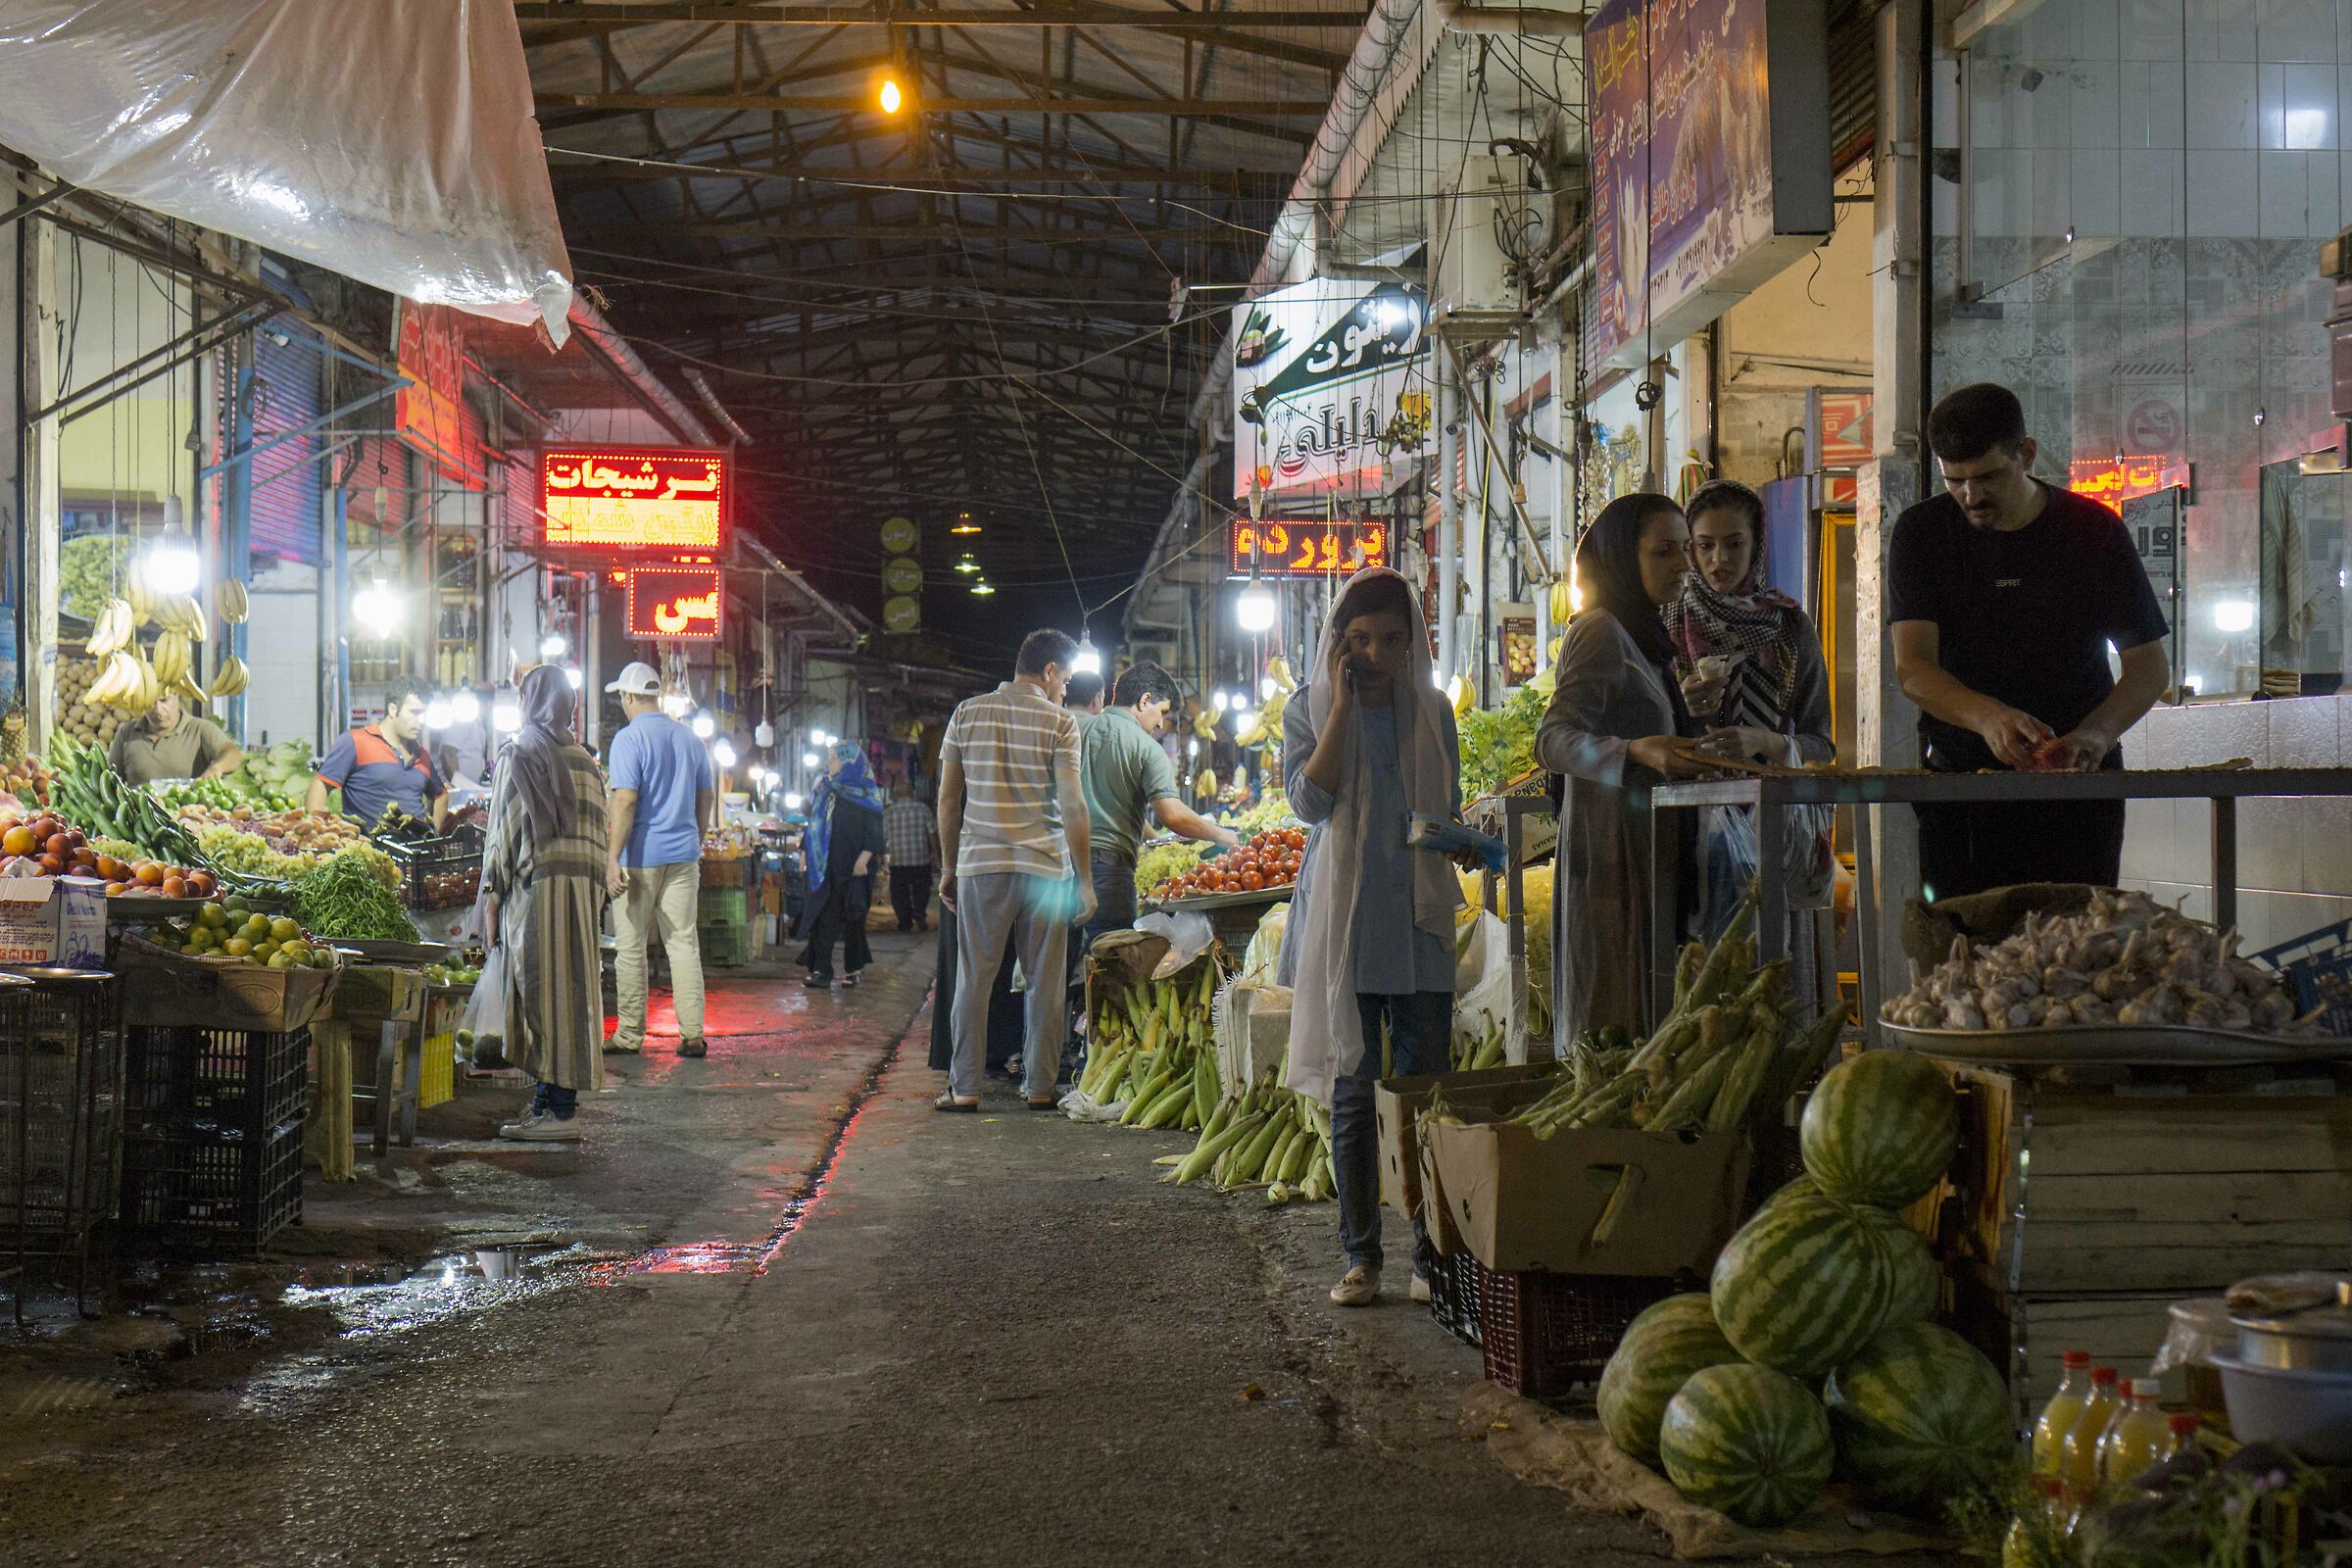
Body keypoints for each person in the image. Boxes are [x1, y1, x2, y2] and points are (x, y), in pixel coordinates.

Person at [1890, 383, 2171, 900]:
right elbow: (1914, 668)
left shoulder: (2093, 532)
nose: (1971, 497)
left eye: (1987, 476)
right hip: (1962, 784)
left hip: (2077, 786)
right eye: (1955, 481)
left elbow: (2149, 668)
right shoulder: (1921, 534)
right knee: (1964, 957)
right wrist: (1988, 717)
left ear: (2026, 454)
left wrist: (2097, 734)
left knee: (2075, 953)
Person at [1276, 568, 1462, 1308]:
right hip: (1348, 924)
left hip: (1418, 921)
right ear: (1338, 643)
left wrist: (1463, 842)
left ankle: (1429, 1256)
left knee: (1423, 1093)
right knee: (1354, 1095)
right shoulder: (1310, 709)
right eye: (1360, 640)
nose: (1377, 654)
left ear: (1413, 641)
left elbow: (1439, 805)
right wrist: (1342, 713)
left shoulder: (1434, 711)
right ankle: (1362, 1256)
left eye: (1391, 639)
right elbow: (1309, 802)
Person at [1539, 493, 1710, 1050]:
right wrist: (1636, 752)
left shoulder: (1643, 636)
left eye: (1686, 549)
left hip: (1645, 852)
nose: (1684, 565)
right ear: (1620, 558)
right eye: (1664, 552)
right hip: (1613, 861)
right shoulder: (1601, 630)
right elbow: (1552, 740)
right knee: (1615, 1024)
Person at [1667, 479, 1838, 998]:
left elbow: (1821, 743)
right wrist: (1683, 706)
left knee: (1773, 980)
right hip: (1686, 835)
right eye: (1706, 545)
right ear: (1690, 549)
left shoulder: (1789, 627)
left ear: (1756, 544)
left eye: (1734, 544)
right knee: (1699, 987)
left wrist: (1766, 742)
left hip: (1772, 829)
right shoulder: (1668, 624)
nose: (1720, 558)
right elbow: (1645, 732)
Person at [937, 628, 1092, 1112]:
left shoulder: (966, 713)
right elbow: (1072, 805)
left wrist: (948, 867)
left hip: (981, 866)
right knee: (1045, 983)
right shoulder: (1061, 723)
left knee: (973, 980)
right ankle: (1041, 1087)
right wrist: (1084, 879)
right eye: (1064, 678)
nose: (1065, 689)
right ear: (1048, 671)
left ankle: (964, 1088)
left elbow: (947, 797)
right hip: (1045, 870)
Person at [483, 664, 611, 1142]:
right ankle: (553, 1103)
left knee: (539, 995)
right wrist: (594, 895)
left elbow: (503, 835)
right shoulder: (585, 760)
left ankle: (556, 1112)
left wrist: (492, 901)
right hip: (581, 894)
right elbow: (599, 834)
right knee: (572, 996)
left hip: (538, 894)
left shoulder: (519, 754)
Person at [1079, 661, 1238, 947]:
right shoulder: (1145, 746)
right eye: (1162, 712)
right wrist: (1223, 834)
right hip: (1108, 875)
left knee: (1057, 969)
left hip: (1059, 866)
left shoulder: (1078, 730)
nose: (1160, 724)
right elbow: (1172, 815)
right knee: (1108, 965)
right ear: (1145, 700)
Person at [602, 662, 713, 1058]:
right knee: (683, 944)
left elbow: (625, 799)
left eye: (622, 699)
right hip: (683, 856)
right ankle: (693, 1035)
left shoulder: (628, 740)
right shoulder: (690, 738)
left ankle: (630, 1035)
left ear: (629, 697)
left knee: (631, 947)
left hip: (639, 859)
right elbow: (706, 798)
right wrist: (694, 838)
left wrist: (612, 858)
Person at [798, 742, 887, 989]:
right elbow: (813, 821)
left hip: (856, 866)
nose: (830, 763)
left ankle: (853, 968)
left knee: (854, 917)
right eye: (830, 758)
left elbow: (875, 830)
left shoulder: (866, 790)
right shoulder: (825, 787)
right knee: (825, 914)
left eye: (835, 758)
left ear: (849, 762)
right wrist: (805, 852)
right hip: (826, 864)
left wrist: (864, 859)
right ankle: (821, 971)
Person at [310, 678, 448, 830]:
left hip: (416, 851)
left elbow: (441, 796)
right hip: (367, 850)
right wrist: (318, 831)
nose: (421, 721)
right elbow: (320, 786)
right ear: (393, 709)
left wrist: (433, 836)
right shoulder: (355, 742)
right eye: (415, 713)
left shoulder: (422, 755)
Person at [108, 692, 242, 786]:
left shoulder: (200, 729)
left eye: (164, 700)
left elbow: (232, 753)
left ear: (177, 697)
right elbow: (111, 779)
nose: (158, 711)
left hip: (189, 820)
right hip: (138, 821)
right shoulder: (127, 732)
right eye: (150, 703)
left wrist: (217, 767)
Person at [883, 780, 939, 932]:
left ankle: (905, 922)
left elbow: (884, 837)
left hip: (897, 860)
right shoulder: (922, 809)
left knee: (899, 893)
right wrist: (936, 852)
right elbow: (932, 833)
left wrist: (882, 857)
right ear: (911, 792)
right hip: (920, 859)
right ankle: (919, 911)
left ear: (895, 794)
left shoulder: (889, 812)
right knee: (922, 888)